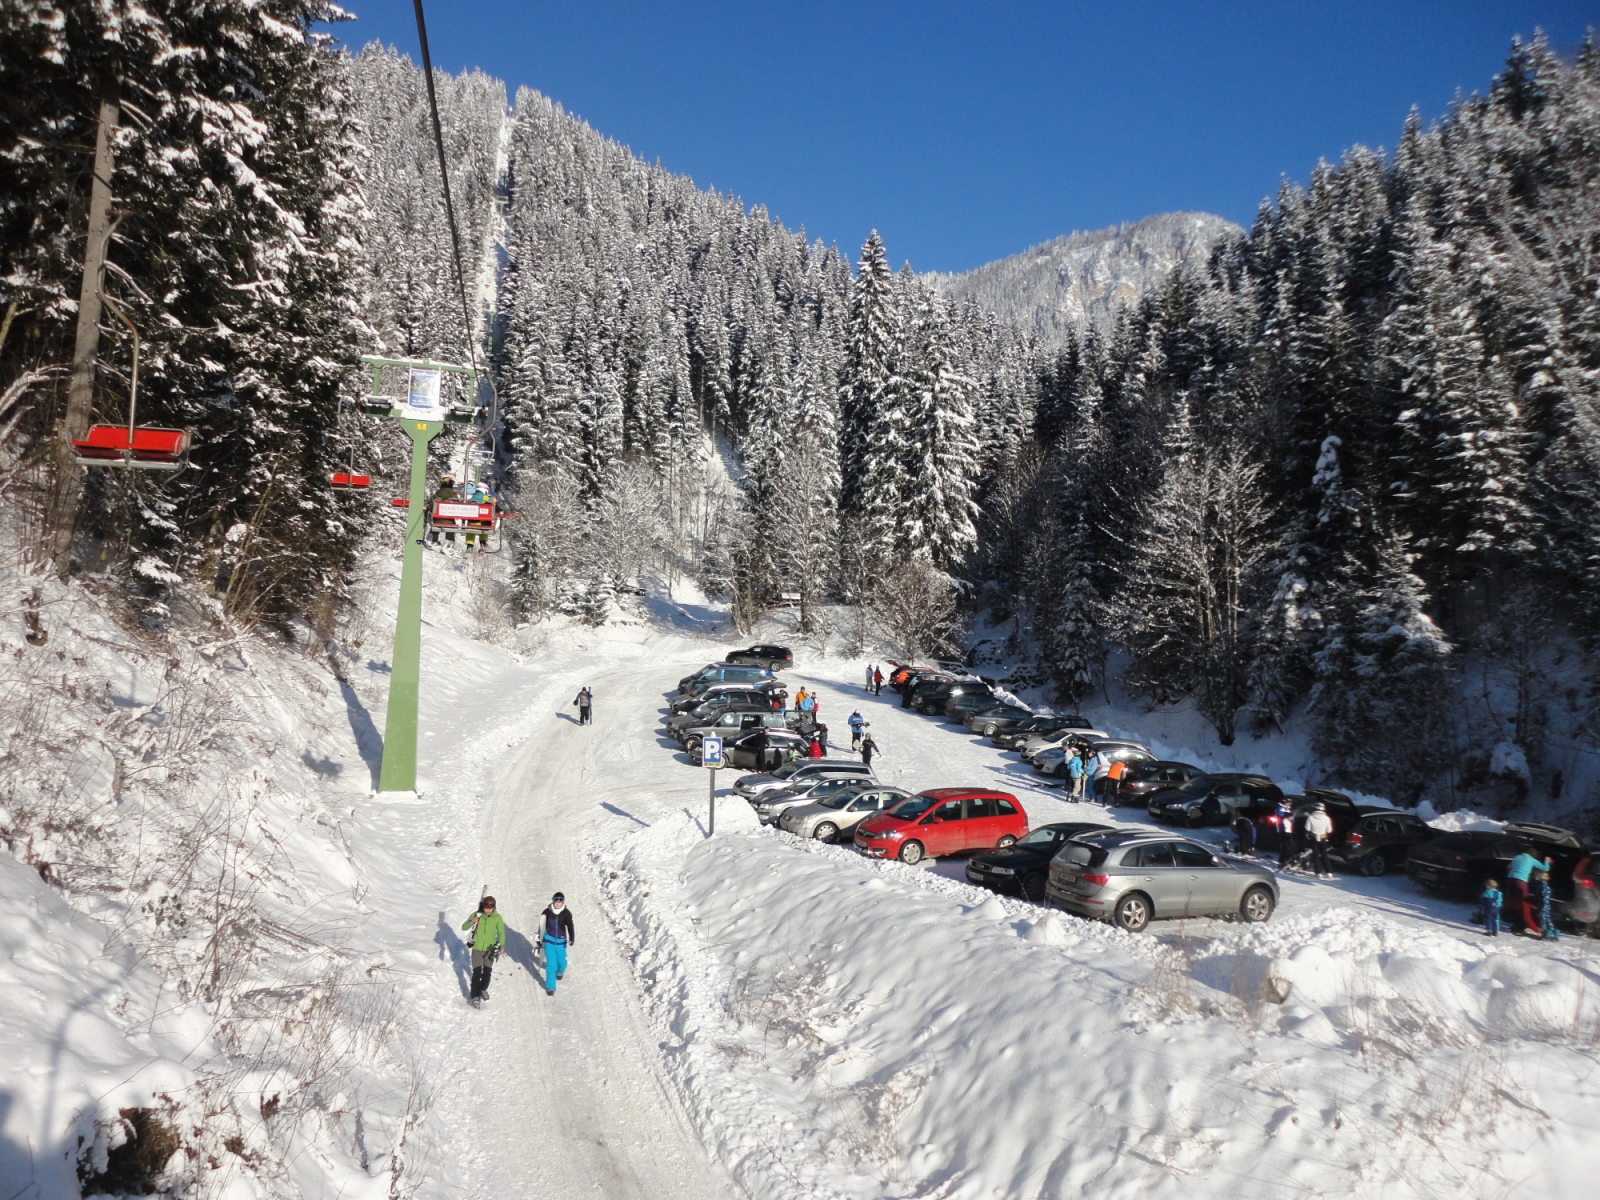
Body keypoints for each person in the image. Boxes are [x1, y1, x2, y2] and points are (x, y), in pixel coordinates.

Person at [461, 895, 506, 1006]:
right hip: (477, 949)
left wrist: (502, 945)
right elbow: (464, 927)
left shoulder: (497, 918)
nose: (488, 909)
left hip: (489, 950)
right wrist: (472, 921)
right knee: (476, 974)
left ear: (494, 907)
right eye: (486, 906)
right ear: (483, 906)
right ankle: (475, 996)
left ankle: (483, 989)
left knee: (487, 973)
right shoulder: (477, 915)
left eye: (491, 907)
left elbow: (501, 932)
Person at [541, 892, 576, 996]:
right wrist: (539, 938)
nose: (557, 903)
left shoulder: (566, 913)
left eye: (560, 901)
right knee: (551, 964)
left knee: (562, 963)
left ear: (563, 902)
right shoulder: (547, 912)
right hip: (549, 940)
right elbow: (541, 926)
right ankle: (550, 987)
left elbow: (570, 926)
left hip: (561, 942)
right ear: (553, 900)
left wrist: (572, 937)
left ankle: (560, 972)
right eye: (556, 900)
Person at [1505, 849, 1547, 934]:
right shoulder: (1531, 859)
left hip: (1510, 879)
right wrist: (1547, 860)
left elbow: (1509, 867)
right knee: (1524, 902)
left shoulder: (1516, 857)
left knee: (1513, 901)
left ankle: (1515, 921)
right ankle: (1521, 924)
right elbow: (1545, 868)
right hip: (1521, 881)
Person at [1305, 802, 1335, 879]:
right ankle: (1329, 872)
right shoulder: (1327, 818)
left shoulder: (1311, 817)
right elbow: (1329, 830)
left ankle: (1318, 873)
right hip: (1323, 838)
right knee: (1324, 855)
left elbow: (1307, 828)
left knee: (1316, 855)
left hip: (1314, 838)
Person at [1531, 868, 1561, 940]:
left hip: (1543, 905)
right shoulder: (1541, 885)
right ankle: (1553, 932)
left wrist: (1541, 904)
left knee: (1543, 919)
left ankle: (1545, 933)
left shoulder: (1543, 885)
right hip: (1545, 904)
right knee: (1547, 919)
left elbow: (1544, 895)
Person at [1274, 797, 1298, 869]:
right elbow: (1281, 815)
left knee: (1289, 845)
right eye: (1289, 803)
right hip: (1283, 829)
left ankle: (1284, 860)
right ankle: (1284, 861)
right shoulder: (1280, 807)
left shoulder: (1288, 809)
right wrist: (1289, 815)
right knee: (1287, 845)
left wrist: (1291, 817)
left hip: (1288, 828)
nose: (1290, 804)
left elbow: (1291, 820)